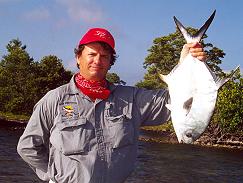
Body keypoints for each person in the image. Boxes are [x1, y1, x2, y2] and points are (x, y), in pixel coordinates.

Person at [17, 27, 206, 183]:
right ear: (78, 57)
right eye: (91, 54)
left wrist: (186, 61)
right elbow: (27, 146)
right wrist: (52, 176)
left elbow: (176, 103)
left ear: (110, 62)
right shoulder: (54, 99)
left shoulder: (131, 98)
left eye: (104, 56)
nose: (97, 61)